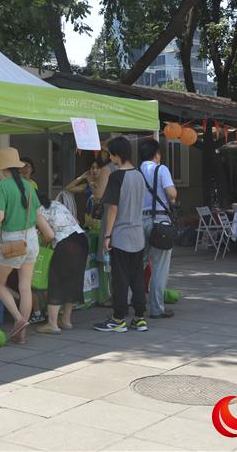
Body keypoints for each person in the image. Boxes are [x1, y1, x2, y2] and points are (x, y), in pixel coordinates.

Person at [0, 147, 51, 344]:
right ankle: (21, 334)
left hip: (12, 241)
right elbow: (37, 214)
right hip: (31, 238)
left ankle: (19, 319)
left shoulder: (2, 187)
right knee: (25, 287)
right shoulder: (28, 185)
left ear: (2, 168)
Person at [94, 136, 148, 333]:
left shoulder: (117, 176)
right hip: (138, 234)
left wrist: (107, 236)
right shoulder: (139, 175)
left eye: (110, 154)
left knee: (120, 279)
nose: (109, 157)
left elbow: (113, 209)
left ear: (117, 155)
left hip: (121, 235)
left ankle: (118, 318)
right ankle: (140, 318)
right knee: (137, 278)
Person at [35, 191, 85, 334]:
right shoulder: (56, 204)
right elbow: (76, 221)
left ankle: (52, 325)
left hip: (66, 245)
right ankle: (66, 320)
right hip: (81, 240)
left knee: (56, 283)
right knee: (72, 281)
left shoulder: (37, 211)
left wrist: (42, 240)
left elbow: (49, 236)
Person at [139, 139, 177, 320]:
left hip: (139, 221)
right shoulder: (161, 169)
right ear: (156, 154)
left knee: (137, 263)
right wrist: (173, 199)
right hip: (160, 222)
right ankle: (156, 308)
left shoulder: (136, 172)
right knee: (159, 267)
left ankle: (129, 300)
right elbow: (171, 193)